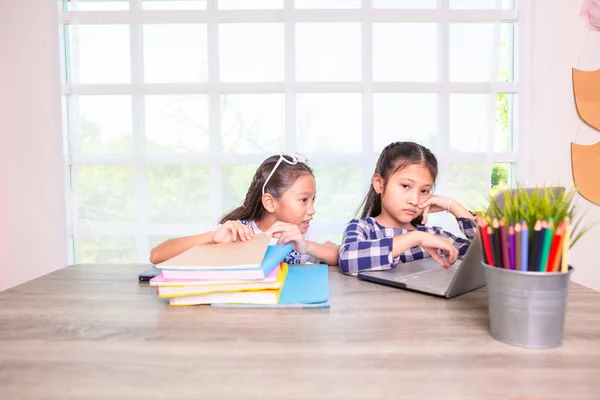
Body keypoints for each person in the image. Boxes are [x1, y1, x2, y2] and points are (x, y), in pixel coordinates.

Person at [150, 153, 339, 266]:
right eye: (304, 200)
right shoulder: (236, 232)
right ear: (270, 203)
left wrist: (307, 247)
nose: (312, 209)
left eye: (313, 200)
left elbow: (342, 256)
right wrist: (212, 238)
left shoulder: (303, 236)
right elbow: (157, 256)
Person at [339, 141, 477, 275]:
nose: (414, 200)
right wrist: (416, 238)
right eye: (405, 186)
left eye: (424, 191)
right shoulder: (363, 228)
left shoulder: (434, 236)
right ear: (379, 184)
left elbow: (489, 255)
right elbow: (347, 259)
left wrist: (452, 205)